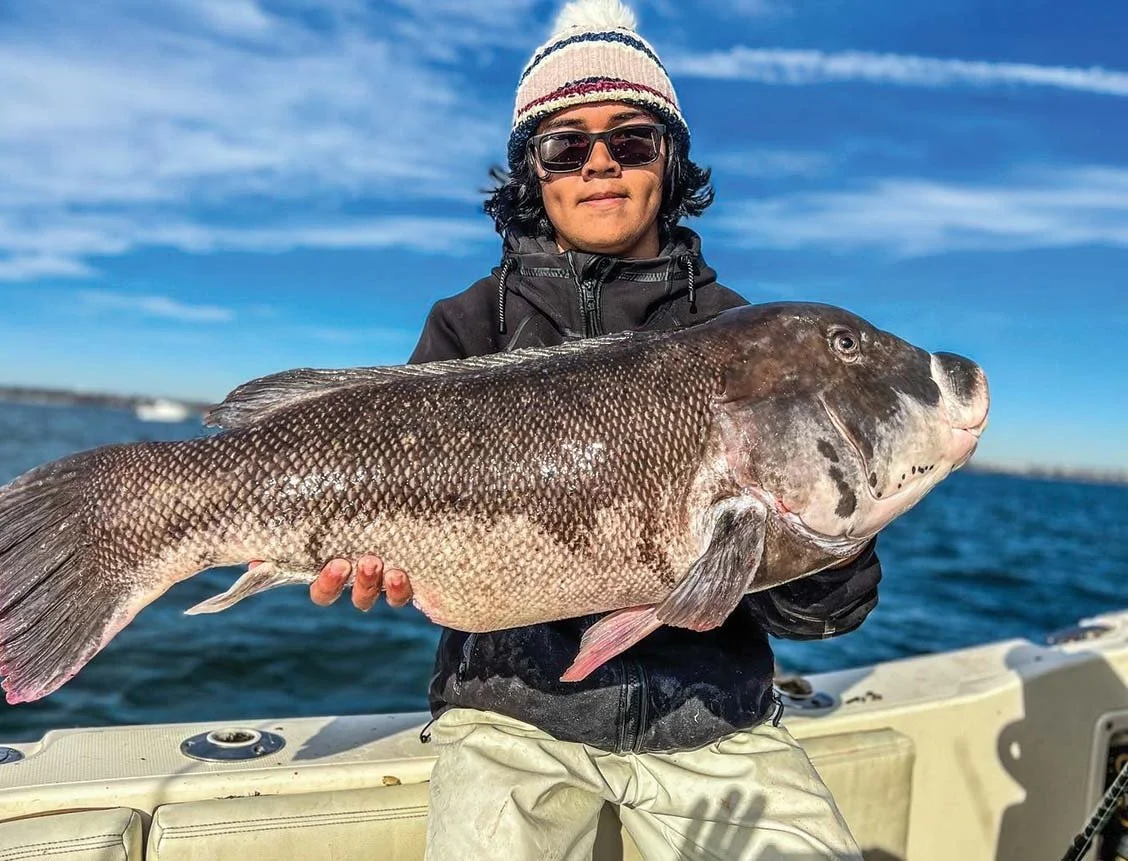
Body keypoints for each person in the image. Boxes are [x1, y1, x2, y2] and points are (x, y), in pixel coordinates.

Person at [291, 2, 881, 858]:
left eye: (631, 140)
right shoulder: (468, 326)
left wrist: (834, 530)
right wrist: (375, 569)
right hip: (508, 717)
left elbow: (823, 614)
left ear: (669, 158)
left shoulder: (748, 335)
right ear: (532, 171)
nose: (599, 163)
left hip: (714, 720)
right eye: (565, 146)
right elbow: (410, 538)